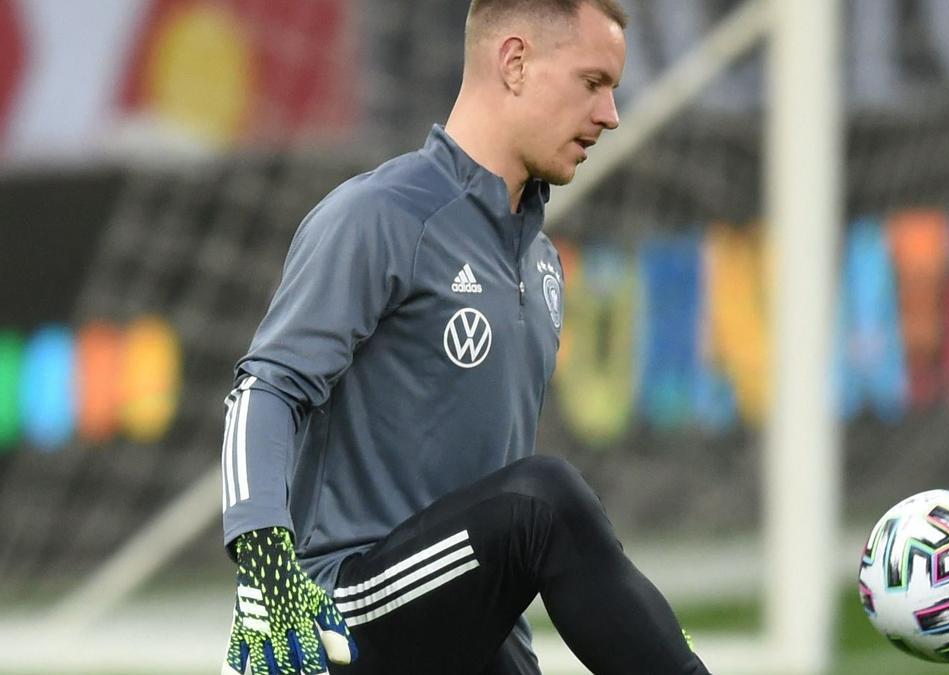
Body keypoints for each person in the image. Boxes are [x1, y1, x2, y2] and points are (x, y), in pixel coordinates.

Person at [220, 1, 712, 673]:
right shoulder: (379, 216)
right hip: (335, 615)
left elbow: (477, 538)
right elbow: (263, 392)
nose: (610, 114)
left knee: (533, 505)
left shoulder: (540, 263)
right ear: (515, 63)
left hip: (452, 630)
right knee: (544, 501)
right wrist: (266, 565)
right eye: (593, 82)